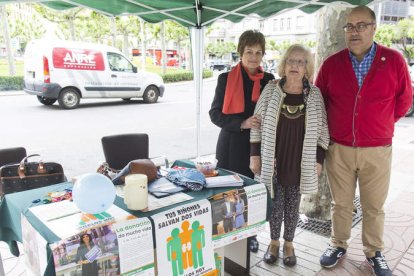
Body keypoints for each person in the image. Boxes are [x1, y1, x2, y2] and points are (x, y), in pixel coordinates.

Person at [316, 6, 412, 276]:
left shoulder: (393, 60)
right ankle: (338, 244)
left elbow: (405, 100)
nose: (354, 31)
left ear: (373, 28)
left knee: (374, 206)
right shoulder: (331, 64)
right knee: (341, 204)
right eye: (349, 26)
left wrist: (379, 125)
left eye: (360, 25)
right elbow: (320, 103)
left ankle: (374, 251)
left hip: (377, 150)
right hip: (340, 149)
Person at [250, 44, 329, 266]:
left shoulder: (314, 94)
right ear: (284, 65)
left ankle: (289, 244)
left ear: (307, 67)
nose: (295, 65)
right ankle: (273, 242)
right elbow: (256, 124)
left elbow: (323, 129)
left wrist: (318, 159)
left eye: (301, 62)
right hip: (273, 158)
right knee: (275, 203)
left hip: (299, 161)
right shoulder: (271, 89)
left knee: (293, 205)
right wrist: (254, 155)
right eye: (291, 61)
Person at [209, 29, 275, 251]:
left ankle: (251, 234)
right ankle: (228, 232)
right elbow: (215, 114)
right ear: (240, 52)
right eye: (249, 52)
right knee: (231, 192)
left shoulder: (269, 80)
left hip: (259, 145)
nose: (254, 57)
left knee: (254, 190)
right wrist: (242, 123)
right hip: (231, 144)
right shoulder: (226, 78)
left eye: (258, 52)